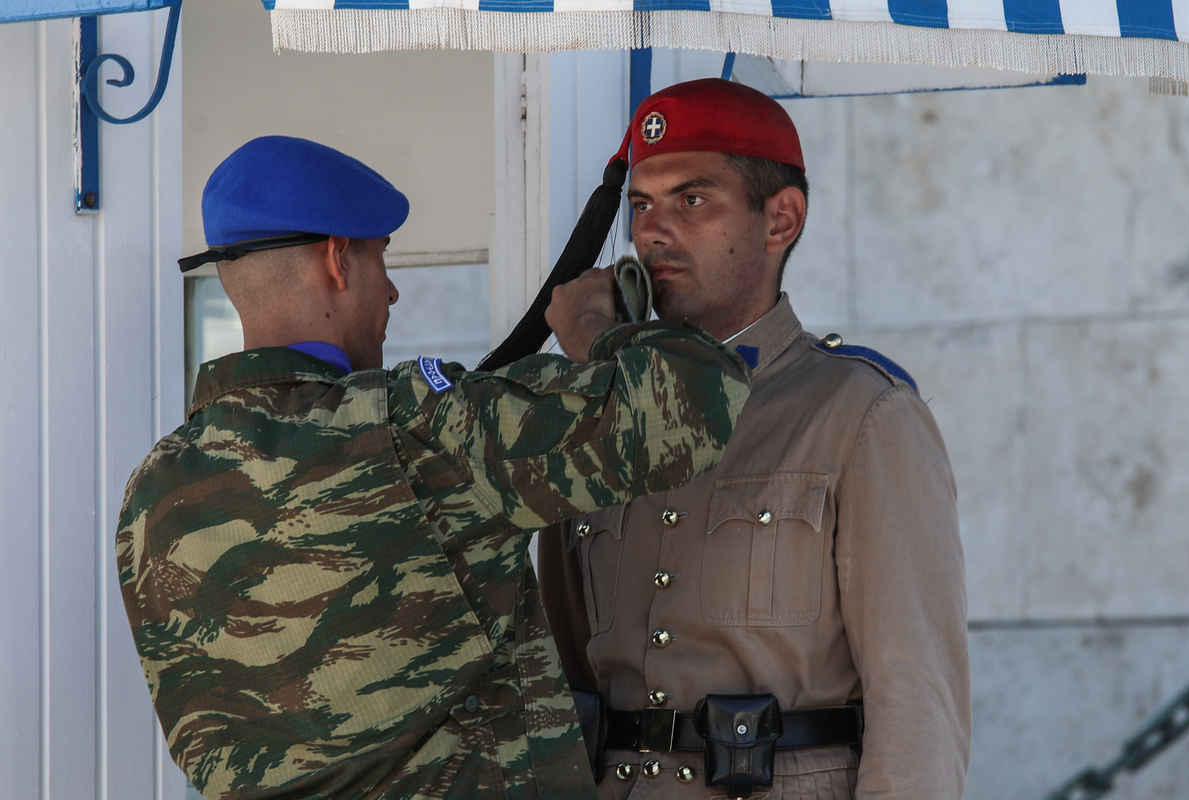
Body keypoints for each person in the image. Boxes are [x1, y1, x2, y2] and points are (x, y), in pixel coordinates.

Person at [115, 135, 753, 800]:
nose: (391, 292)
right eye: (380, 262)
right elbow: (698, 400)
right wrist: (594, 329)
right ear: (338, 260)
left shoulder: (154, 493)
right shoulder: (413, 431)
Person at [539, 79, 971, 799]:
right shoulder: (593, 412)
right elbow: (561, 668)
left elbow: (916, 704)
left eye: (693, 200)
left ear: (781, 221)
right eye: (640, 205)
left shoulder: (861, 414)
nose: (652, 231)